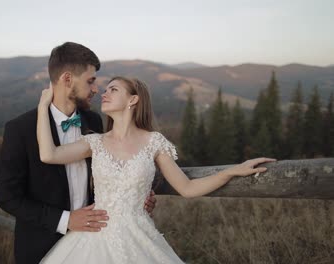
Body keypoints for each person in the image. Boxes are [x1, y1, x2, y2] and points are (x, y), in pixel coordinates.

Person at [36, 76, 276, 263]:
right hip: (93, 239)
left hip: (139, 238)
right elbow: (49, 154)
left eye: (113, 89)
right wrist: (43, 106)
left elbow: (187, 188)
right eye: (106, 89)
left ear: (133, 100)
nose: (104, 93)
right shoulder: (94, 142)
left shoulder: (154, 142)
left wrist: (231, 171)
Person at [0, 42, 157, 264]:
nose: (95, 89)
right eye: (90, 81)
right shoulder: (19, 129)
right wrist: (66, 220)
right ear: (67, 79)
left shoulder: (93, 121)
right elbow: (9, 198)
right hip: (40, 246)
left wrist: (135, 199)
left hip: (97, 244)